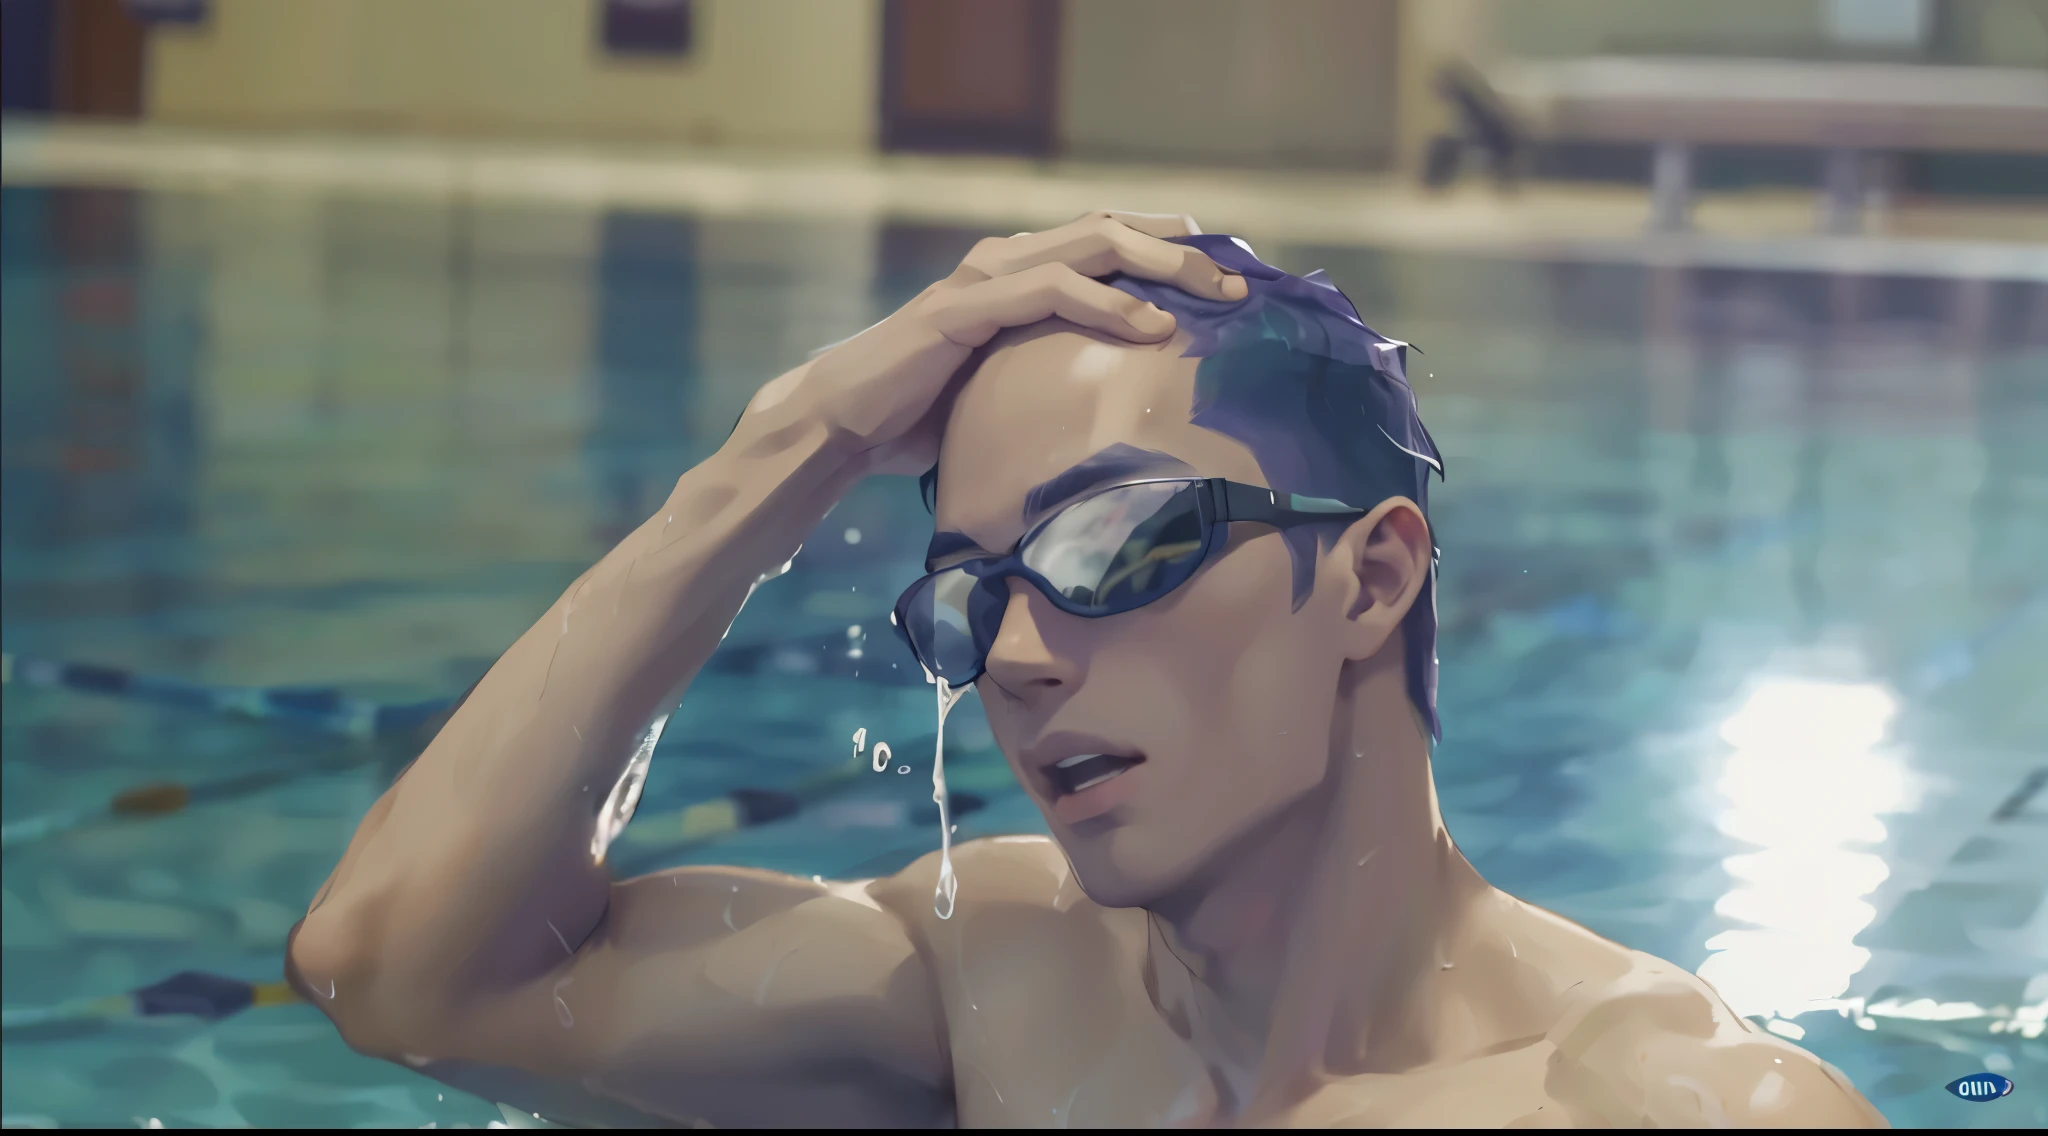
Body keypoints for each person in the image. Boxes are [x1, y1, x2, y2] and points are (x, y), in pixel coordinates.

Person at [288, 212, 1886, 1128]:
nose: (1025, 658)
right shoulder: (995, 986)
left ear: (1372, 575)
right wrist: (784, 451)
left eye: (1115, 547)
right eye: (970, 594)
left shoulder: (1651, 1109)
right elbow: (397, 973)